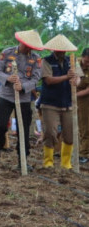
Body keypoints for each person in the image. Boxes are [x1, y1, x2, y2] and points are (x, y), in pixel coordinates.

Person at [0, 30, 44, 169]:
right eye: (26, 45)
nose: (28, 48)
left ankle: (23, 160)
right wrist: (8, 78)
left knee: (23, 129)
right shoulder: (7, 53)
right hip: (6, 95)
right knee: (1, 125)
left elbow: (36, 78)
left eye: (31, 46)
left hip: (24, 98)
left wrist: (23, 86)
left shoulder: (37, 59)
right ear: (21, 42)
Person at [38, 35, 78, 169]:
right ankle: (48, 162)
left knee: (70, 134)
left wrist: (75, 81)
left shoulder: (72, 61)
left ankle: (66, 163)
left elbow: (78, 79)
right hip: (50, 103)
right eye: (59, 50)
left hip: (68, 103)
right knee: (50, 132)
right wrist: (67, 77)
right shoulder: (46, 61)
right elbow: (48, 80)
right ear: (54, 49)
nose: (62, 52)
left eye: (64, 50)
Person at [77, 48, 89, 164]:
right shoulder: (74, 64)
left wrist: (74, 95)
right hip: (70, 98)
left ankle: (84, 153)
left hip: (84, 99)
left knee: (85, 127)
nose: (87, 64)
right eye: (86, 61)